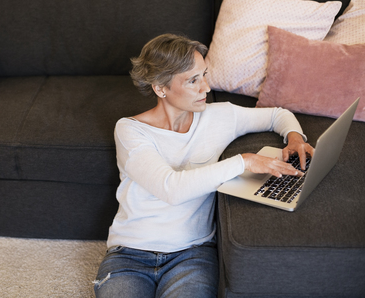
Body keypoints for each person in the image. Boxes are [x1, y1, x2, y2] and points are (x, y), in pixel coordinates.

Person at [93, 34, 314, 298]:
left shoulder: (220, 116)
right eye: (193, 80)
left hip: (192, 255)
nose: (206, 88)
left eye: (204, 75)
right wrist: (244, 161)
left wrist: (295, 137)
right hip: (129, 256)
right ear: (160, 88)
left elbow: (277, 114)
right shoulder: (130, 130)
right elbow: (172, 189)